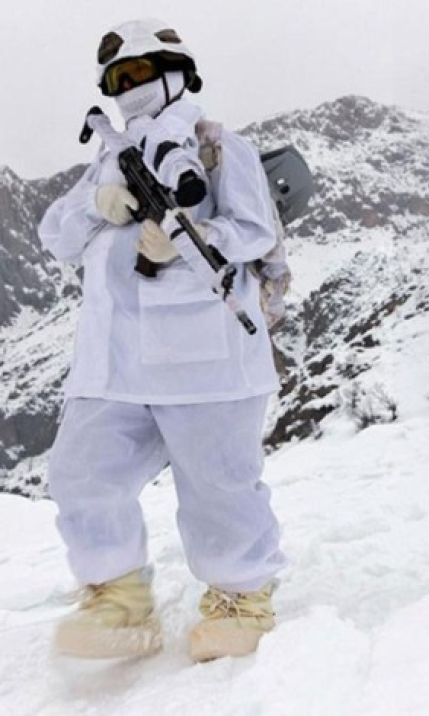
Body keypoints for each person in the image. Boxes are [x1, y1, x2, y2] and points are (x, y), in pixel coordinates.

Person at [38, 18, 284, 662]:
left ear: (178, 73)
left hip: (207, 361)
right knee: (79, 473)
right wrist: (100, 202)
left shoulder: (222, 148)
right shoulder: (105, 161)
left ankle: (241, 599)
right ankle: (119, 600)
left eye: (143, 72)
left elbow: (256, 230)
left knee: (218, 486)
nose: (132, 87)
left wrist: (184, 243)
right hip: (113, 363)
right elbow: (55, 234)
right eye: (120, 78)